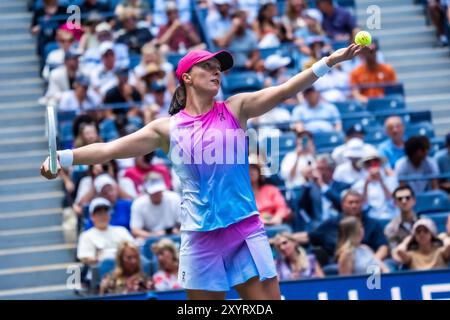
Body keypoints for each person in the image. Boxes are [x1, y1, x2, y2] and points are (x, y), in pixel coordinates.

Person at [41, 44, 368, 300]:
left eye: (219, 68)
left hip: (244, 230)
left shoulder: (236, 108)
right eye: (208, 67)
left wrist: (328, 62)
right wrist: (63, 158)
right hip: (199, 238)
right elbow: (110, 149)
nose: (216, 72)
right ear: (186, 76)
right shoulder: (166, 129)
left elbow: (284, 90)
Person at [293, 190, 389, 263]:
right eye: (350, 202)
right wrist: (286, 237)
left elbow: (383, 247)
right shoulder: (331, 223)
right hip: (339, 263)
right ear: (343, 205)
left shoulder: (372, 223)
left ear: (362, 204)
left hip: (368, 262)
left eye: (357, 202)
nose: (354, 205)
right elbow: (309, 236)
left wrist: (373, 262)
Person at [77, 197, 135, 266]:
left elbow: (133, 249)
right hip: (100, 271)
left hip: (125, 267)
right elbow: (86, 257)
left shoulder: (121, 230)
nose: (102, 216)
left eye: (105, 212)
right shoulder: (86, 235)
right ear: (92, 216)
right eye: (99, 213)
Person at [130, 174, 181, 241]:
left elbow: (184, 223)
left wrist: (177, 230)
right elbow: (135, 230)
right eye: (154, 192)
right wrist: (153, 235)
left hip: (173, 234)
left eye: (159, 191)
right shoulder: (138, 203)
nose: (157, 194)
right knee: (139, 240)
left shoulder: (174, 198)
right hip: (149, 237)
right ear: (146, 191)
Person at [351, 151, 398, 220]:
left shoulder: (391, 180)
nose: (372, 166)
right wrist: (366, 184)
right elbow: (362, 205)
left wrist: (381, 182)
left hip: (390, 216)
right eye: (369, 164)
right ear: (365, 166)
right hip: (370, 218)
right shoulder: (358, 185)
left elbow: (393, 201)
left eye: (375, 163)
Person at [250, 155, 291, 226]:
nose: (251, 172)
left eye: (254, 169)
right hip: (253, 229)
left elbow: (281, 207)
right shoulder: (242, 195)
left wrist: (277, 217)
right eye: (248, 169)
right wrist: (260, 220)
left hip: (274, 224)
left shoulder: (271, 189)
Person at [384, 186, 419, 251]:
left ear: (414, 201)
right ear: (395, 203)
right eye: (400, 199)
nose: (404, 201)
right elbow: (395, 251)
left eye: (407, 198)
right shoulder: (391, 227)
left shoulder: (424, 221)